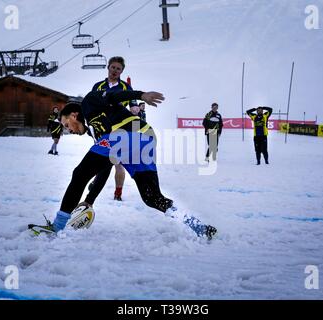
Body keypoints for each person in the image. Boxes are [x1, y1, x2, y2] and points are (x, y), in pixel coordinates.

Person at [28, 89, 217, 240]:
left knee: (79, 173)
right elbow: (105, 166)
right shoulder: (96, 134)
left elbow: (112, 95)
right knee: (151, 197)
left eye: (66, 124)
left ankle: (57, 227)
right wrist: (90, 200)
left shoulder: (88, 103)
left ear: (74, 114)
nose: (69, 130)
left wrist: (140, 95)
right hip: (144, 140)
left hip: (131, 133)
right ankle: (198, 226)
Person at [89, 56, 132, 201]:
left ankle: (118, 193)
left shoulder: (126, 87)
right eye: (113, 67)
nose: (115, 70)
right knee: (99, 159)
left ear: (121, 71)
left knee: (117, 163)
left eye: (118, 69)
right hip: (102, 130)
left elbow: (134, 104)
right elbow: (91, 105)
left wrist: (136, 108)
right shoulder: (98, 86)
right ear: (108, 67)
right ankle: (96, 182)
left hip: (119, 130)